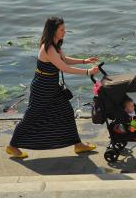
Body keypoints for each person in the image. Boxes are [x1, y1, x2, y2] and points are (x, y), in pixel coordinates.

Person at [6, 16, 99, 158]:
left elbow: (65, 59)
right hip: (42, 87)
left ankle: (78, 145)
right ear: (53, 30)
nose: (64, 31)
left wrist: (85, 61)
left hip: (52, 86)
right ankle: (12, 146)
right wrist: (88, 72)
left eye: (64, 29)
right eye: (61, 29)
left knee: (67, 111)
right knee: (31, 116)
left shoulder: (56, 44)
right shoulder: (48, 47)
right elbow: (64, 67)